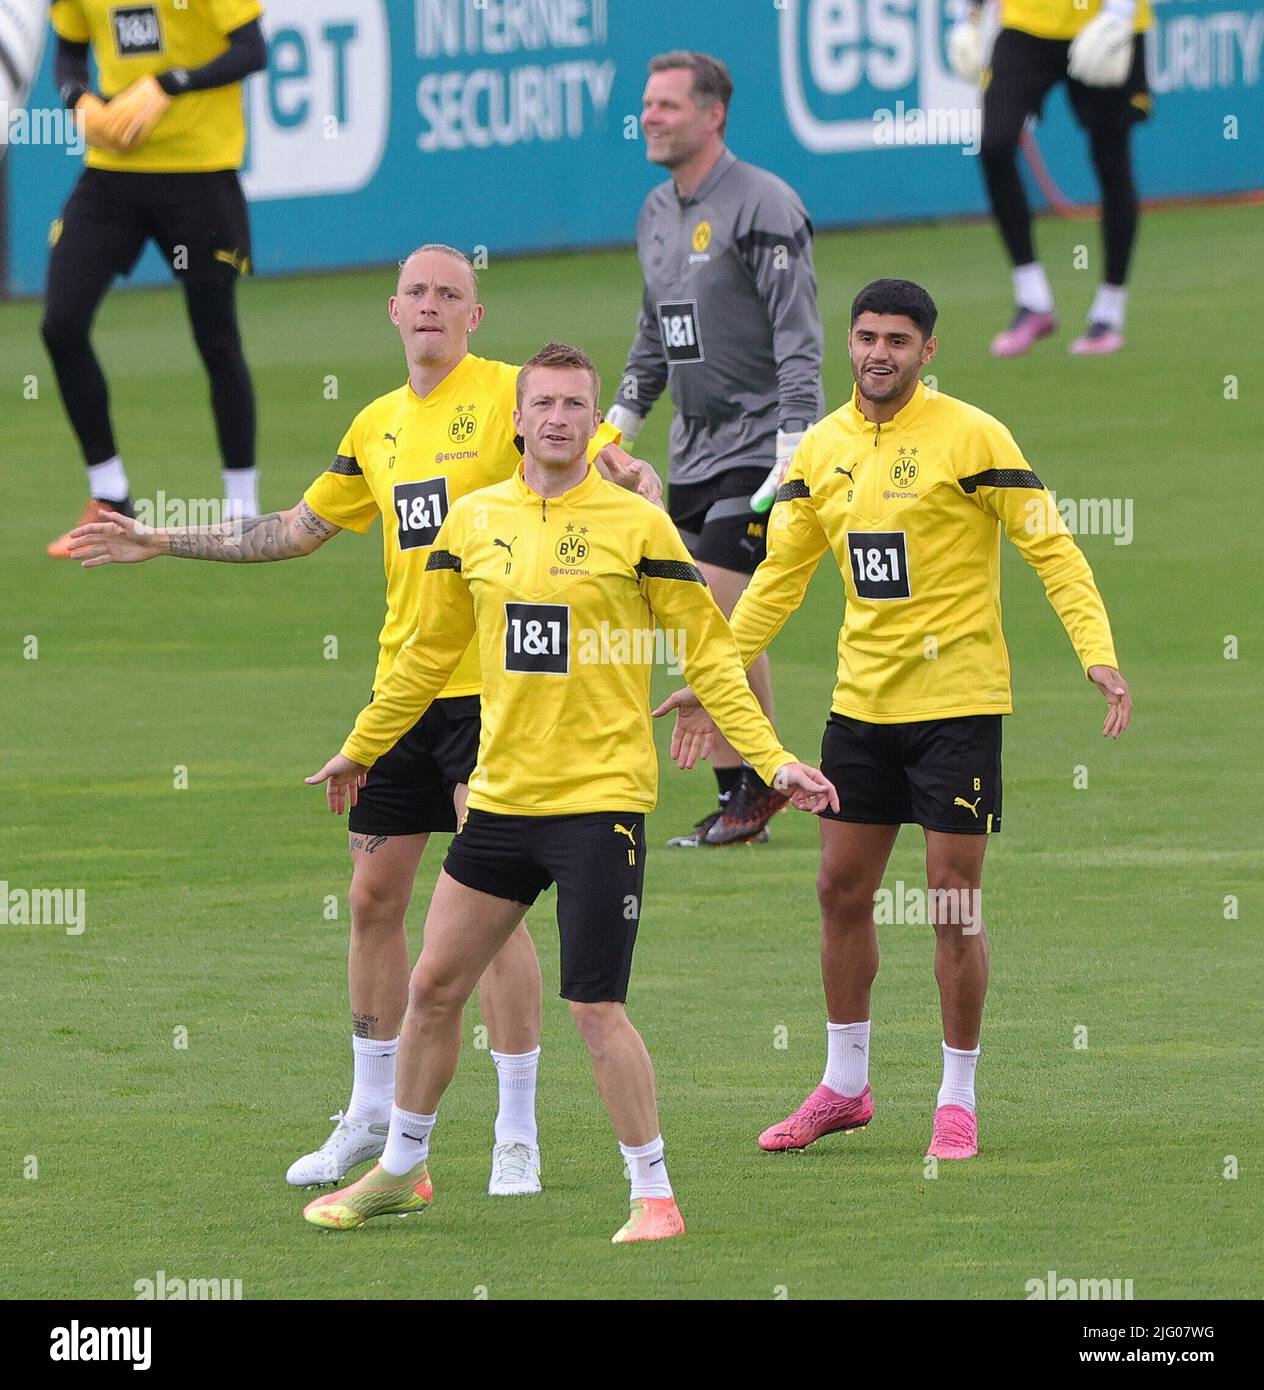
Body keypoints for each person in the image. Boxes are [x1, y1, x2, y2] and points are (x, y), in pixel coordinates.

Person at [69, 245, 661, 1197]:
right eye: (416, 294)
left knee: (494, 916)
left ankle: (517, 1128)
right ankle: (374, 1116)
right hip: (403, 691)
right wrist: (162, 539)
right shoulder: (377, 426)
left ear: (475, 313)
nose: (431, 307)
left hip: (495, 693)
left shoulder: (517, 394)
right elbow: (296, 531)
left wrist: (636, 507)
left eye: (449, 294)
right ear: (392, 312)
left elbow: (627, 479)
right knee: (373, 901)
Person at [302, 342, 838, 1242]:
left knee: (594, 1006)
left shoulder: (638, 528)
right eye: (543, 403)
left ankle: (654, 1195)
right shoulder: (471, 525)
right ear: (518, 419)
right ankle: (401, 1168)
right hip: (503, 802)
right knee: (434, 986)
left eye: (575, 406)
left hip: (598, 806)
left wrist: (770, 761)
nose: (557, 418)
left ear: (598, 424)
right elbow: (427, 658)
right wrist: (362, 747)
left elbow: (707, 652)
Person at [656, 279, 1132, 1160]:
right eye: (867, 336)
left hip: (958, 709)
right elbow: (781, 578)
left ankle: (957, 1096)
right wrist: (712, 671)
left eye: (899, 340)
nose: (880, 353)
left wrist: (1093, 649)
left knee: (951, 905)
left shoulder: (972, 436)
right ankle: (845, 1086)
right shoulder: (820, 449)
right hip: (860, 710)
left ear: (928, 351)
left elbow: (1050, 546)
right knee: (839, 891)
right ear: (850, 341)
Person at [607, 50, 825, 846]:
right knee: (713, 619)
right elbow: (653, 337)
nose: (650, 117)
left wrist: (795, 441)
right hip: (691, 452)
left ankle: (753, 785)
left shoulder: (764, 203)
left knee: (708, 608)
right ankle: (751, 792)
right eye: (647, 103)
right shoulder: (655, 213)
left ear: (713, 115)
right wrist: (618, 427)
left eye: (666, 104)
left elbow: (799, 334)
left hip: (761, 445)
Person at [43, 0, 269, 555]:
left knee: (216, 340)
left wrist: (171, 83)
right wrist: (79, 100)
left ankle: (243, 510)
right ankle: (110, 497)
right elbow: (69, 54)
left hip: (200, 174)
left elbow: (252, 49)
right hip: (113, 174)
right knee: (60, 325)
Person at [948, 0, 1152, 355]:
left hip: (1106, 21)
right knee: (994, 144)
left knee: (1112, 158)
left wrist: (1118, 14)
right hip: (1029, 22)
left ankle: (1109, 312)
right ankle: (1032, 300)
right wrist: (966, 16)